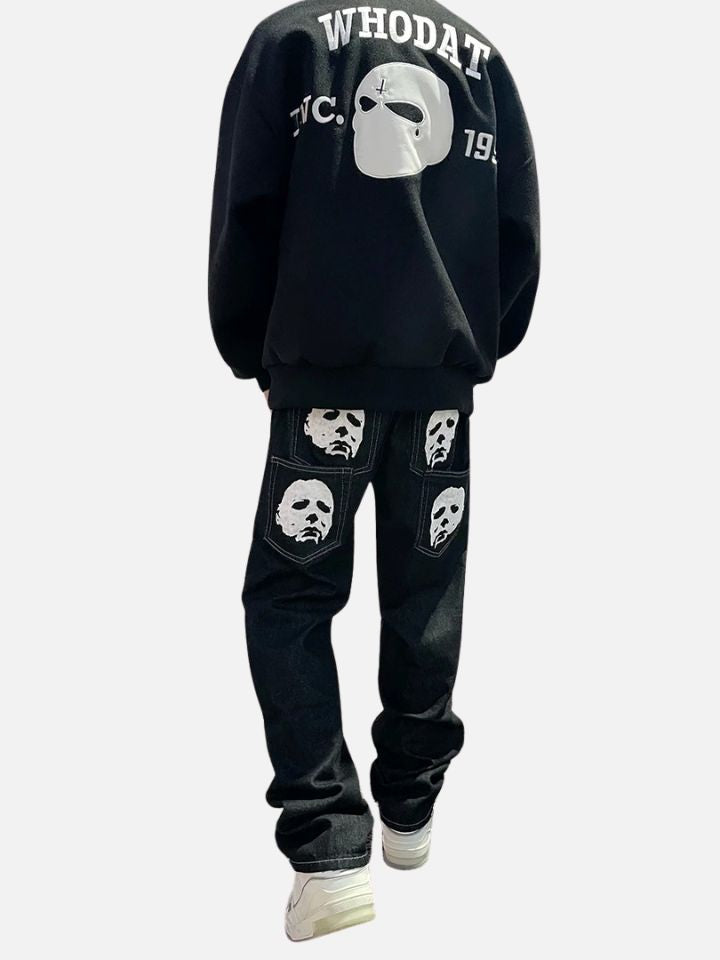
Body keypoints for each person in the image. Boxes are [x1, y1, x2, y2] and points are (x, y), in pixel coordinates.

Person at [208, 0, 539, 941]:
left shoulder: (290, 43)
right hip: (438, 387)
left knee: (291, 598)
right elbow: (517, 233)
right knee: (425, 589)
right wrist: (467, 346)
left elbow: (245, 212)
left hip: (324, 378)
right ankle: (411, 810)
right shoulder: (480, 57)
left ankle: (327, 854)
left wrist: (253, 349)